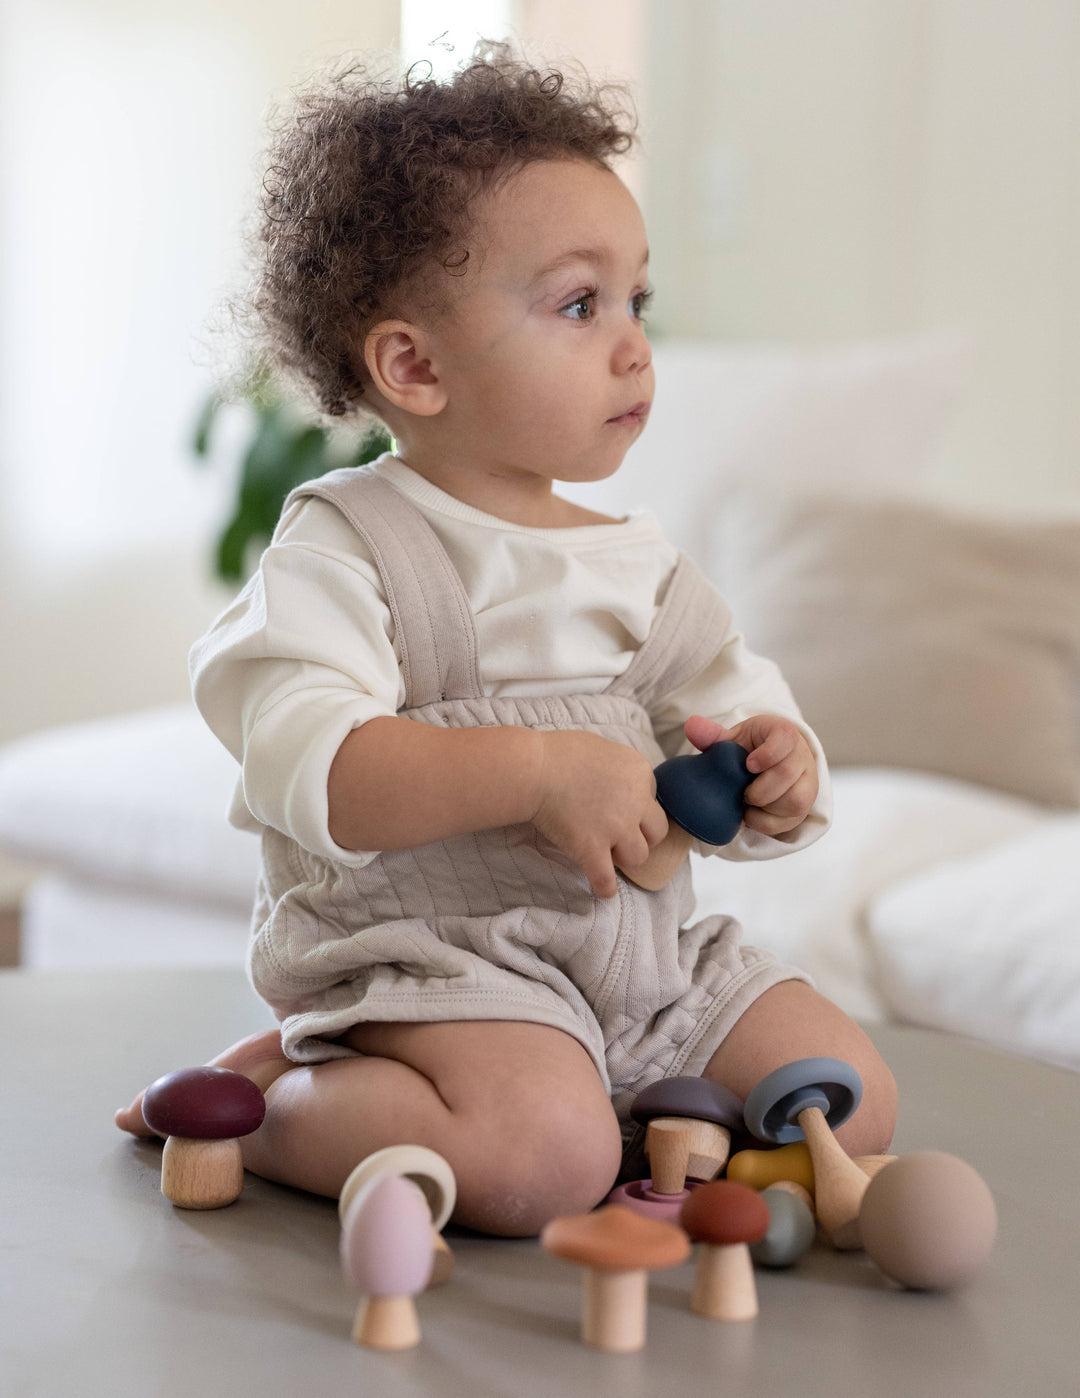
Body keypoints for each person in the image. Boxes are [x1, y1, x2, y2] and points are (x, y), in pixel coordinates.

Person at [117, 47, 896, 1236]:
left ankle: (638, 1118)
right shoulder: (349, 548)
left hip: (643, 971)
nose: (635, 345)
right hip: (435, 968)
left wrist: (778, 772)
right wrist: (536, 772)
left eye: (640, 301)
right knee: (539, 1162)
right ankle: (269, 1099)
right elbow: (313, 770)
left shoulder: (647, 569)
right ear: (413, 366)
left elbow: (741, 731)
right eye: (581, 304)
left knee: (853, 1094)